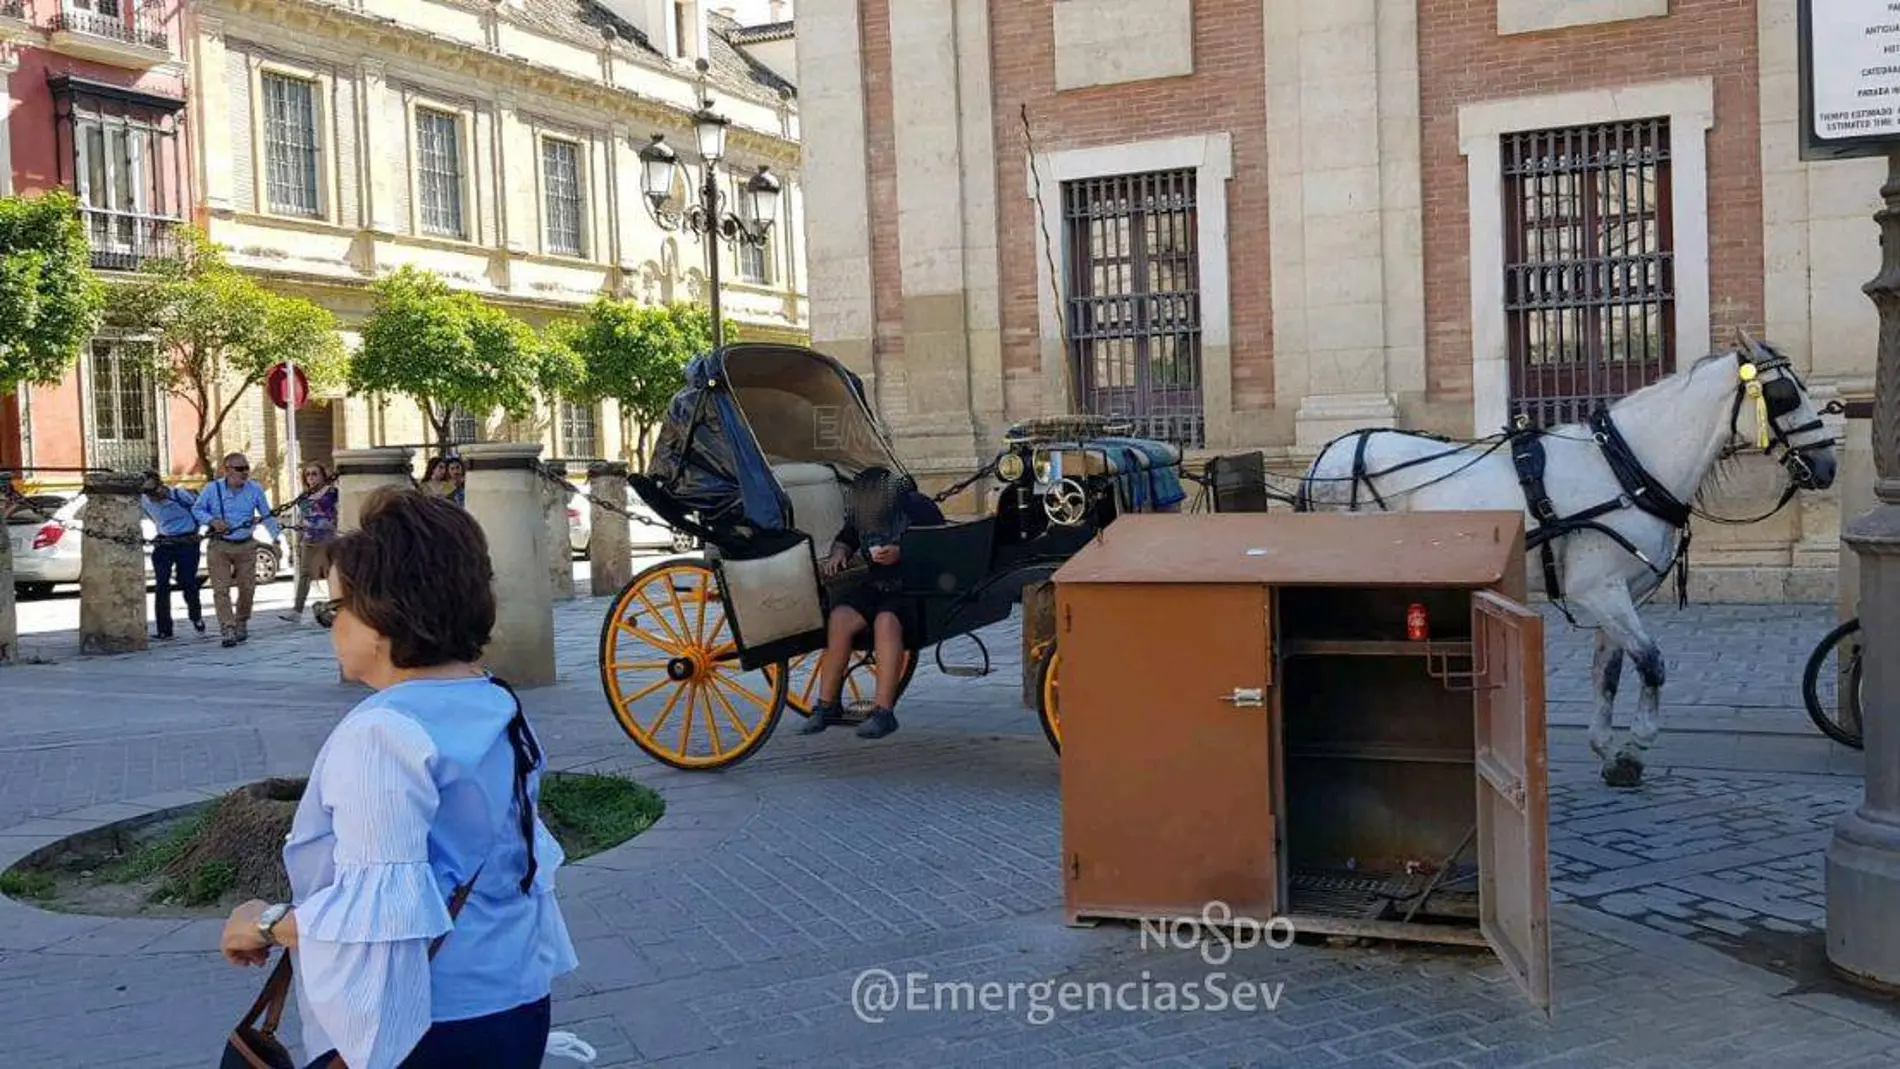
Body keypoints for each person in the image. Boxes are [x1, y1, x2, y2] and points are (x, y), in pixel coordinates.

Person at [217, 488, 578, 1069]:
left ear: (383, 615)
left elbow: (381, 916)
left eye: (335, 611)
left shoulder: (383, 732)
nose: (331, 628)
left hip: (422, 1023)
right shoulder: (494, 701)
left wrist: (262, 924)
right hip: (515, 997)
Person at [799, 466, 943, 740]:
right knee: (839, 618)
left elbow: (939, 542)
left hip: (912, 586)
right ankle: (827, 705)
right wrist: (838, 554)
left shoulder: (916, 508)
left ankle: (883, 712)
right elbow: (846, 539)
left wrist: (902, 552)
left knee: (885, 622)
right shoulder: (862, 516)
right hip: (876, 585)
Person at [192, 452, 282, 648]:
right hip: (220, 545)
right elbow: (197, 509)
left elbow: (266, 514)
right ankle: (228, 628)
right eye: (239, 469)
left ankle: (241, 621)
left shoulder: (255, 489)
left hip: (246, 543)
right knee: (220, 589)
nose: (244, 473)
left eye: (246, 468)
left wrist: (276, 538)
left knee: (248, 587)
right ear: (226, 470)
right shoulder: (212, 489)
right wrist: (212, 521)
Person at [138, 471, 205, 640]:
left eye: (154, 490)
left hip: (187, 541)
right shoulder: (144, 501)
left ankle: (195, 616)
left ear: (160, 485)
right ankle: (164, 629)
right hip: (164, 542)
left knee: (187, 581)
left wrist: (201, 531)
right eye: (148, 493)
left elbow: (200, 511)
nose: (153, 496)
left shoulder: (179, 495)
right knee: (161, 584)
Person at [282, 462, 339, 623]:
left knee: (331, 574)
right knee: (305, 575)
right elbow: (303, 518)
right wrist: (299, 540)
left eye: (315, 474)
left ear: (322, 475)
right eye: (308, 474)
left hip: (328, 540)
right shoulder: (303, 497)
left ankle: (337, 608)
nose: (311, 478)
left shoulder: (332, 492)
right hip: (309, 539)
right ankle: (297, 611)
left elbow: (332, 510)